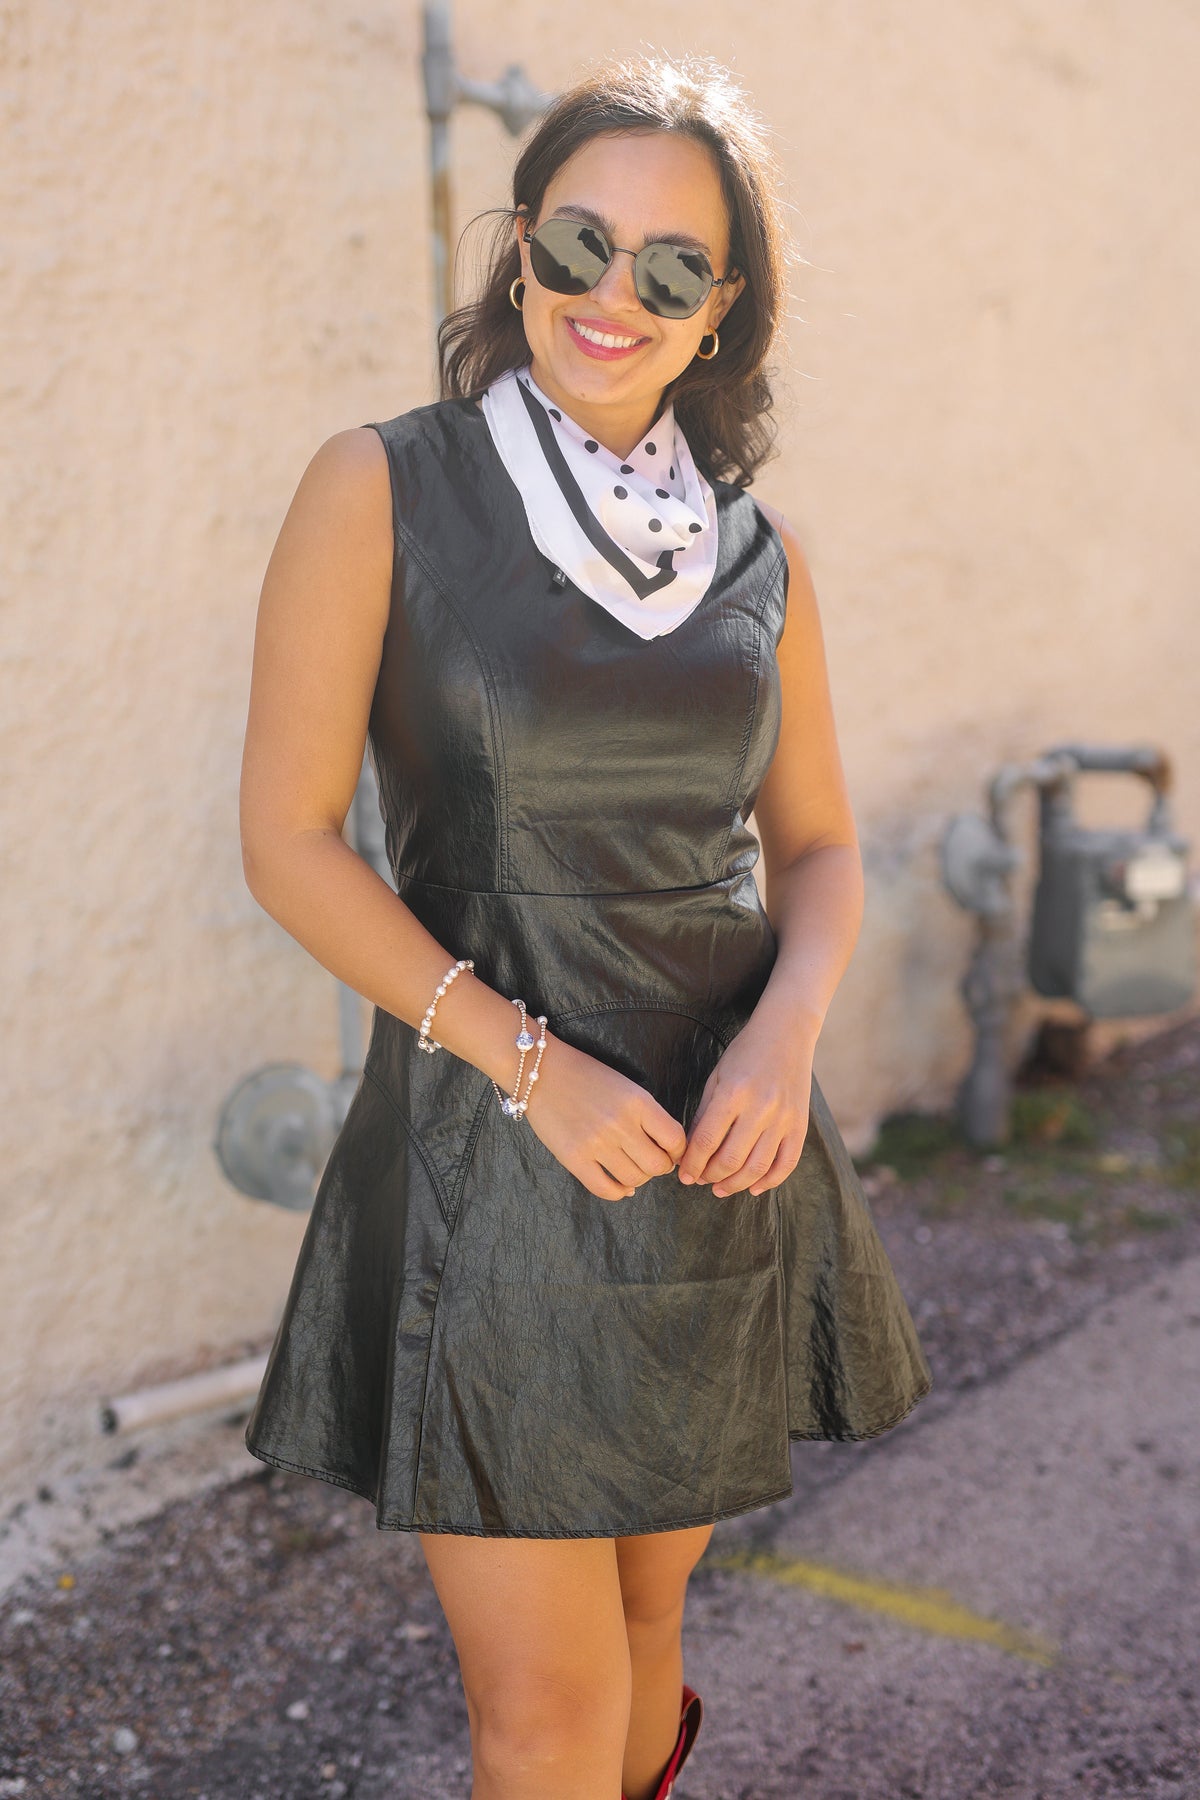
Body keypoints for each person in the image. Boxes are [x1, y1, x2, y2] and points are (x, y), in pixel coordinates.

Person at [239, 50, 932, 1800]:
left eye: (671, 266)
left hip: (711, 1145)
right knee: (543, 1708)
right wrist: (530, 1066)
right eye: (577, 242)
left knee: (644, 1622)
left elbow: (820, 848)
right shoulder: (384, 485)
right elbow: (290, 844)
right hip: (494, 1136)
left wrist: (786, 1038)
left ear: (724, 310)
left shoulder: (760, 552)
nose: (612, 294)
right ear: (521, 248)